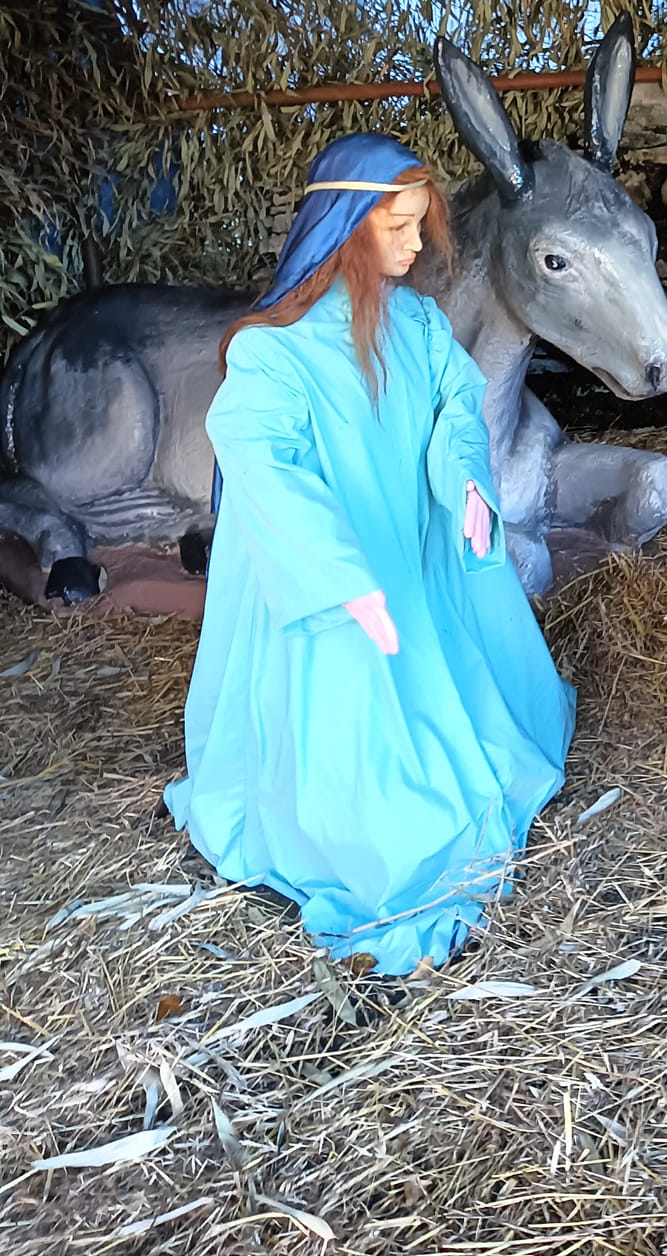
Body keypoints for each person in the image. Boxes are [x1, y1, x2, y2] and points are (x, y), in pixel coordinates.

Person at [165, 133, 575, 973]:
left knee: (464, 710)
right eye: (398, 227)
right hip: (335, 583)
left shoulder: (417, 325)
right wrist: (336, 576)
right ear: (346, 230)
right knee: (365, 762)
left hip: (409, 559)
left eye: (421, 225)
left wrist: (465, 482)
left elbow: (457, 409)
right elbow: (264, 465)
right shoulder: (272, 350)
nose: (417, 245)